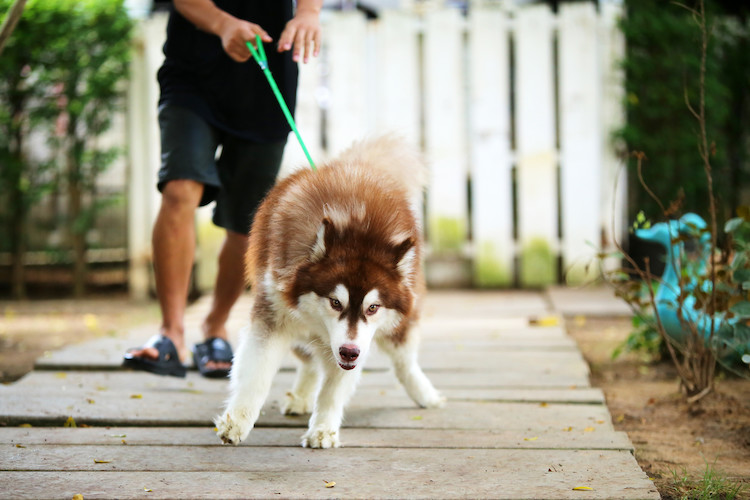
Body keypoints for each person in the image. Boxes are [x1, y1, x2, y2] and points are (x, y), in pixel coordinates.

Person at [123, 0, 322, 378]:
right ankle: (171, 333)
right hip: (193, 72)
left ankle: (215, 326)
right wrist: (223, 24)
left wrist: (309, 12)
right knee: (180, 188)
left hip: (268, 77)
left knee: (245, 221)